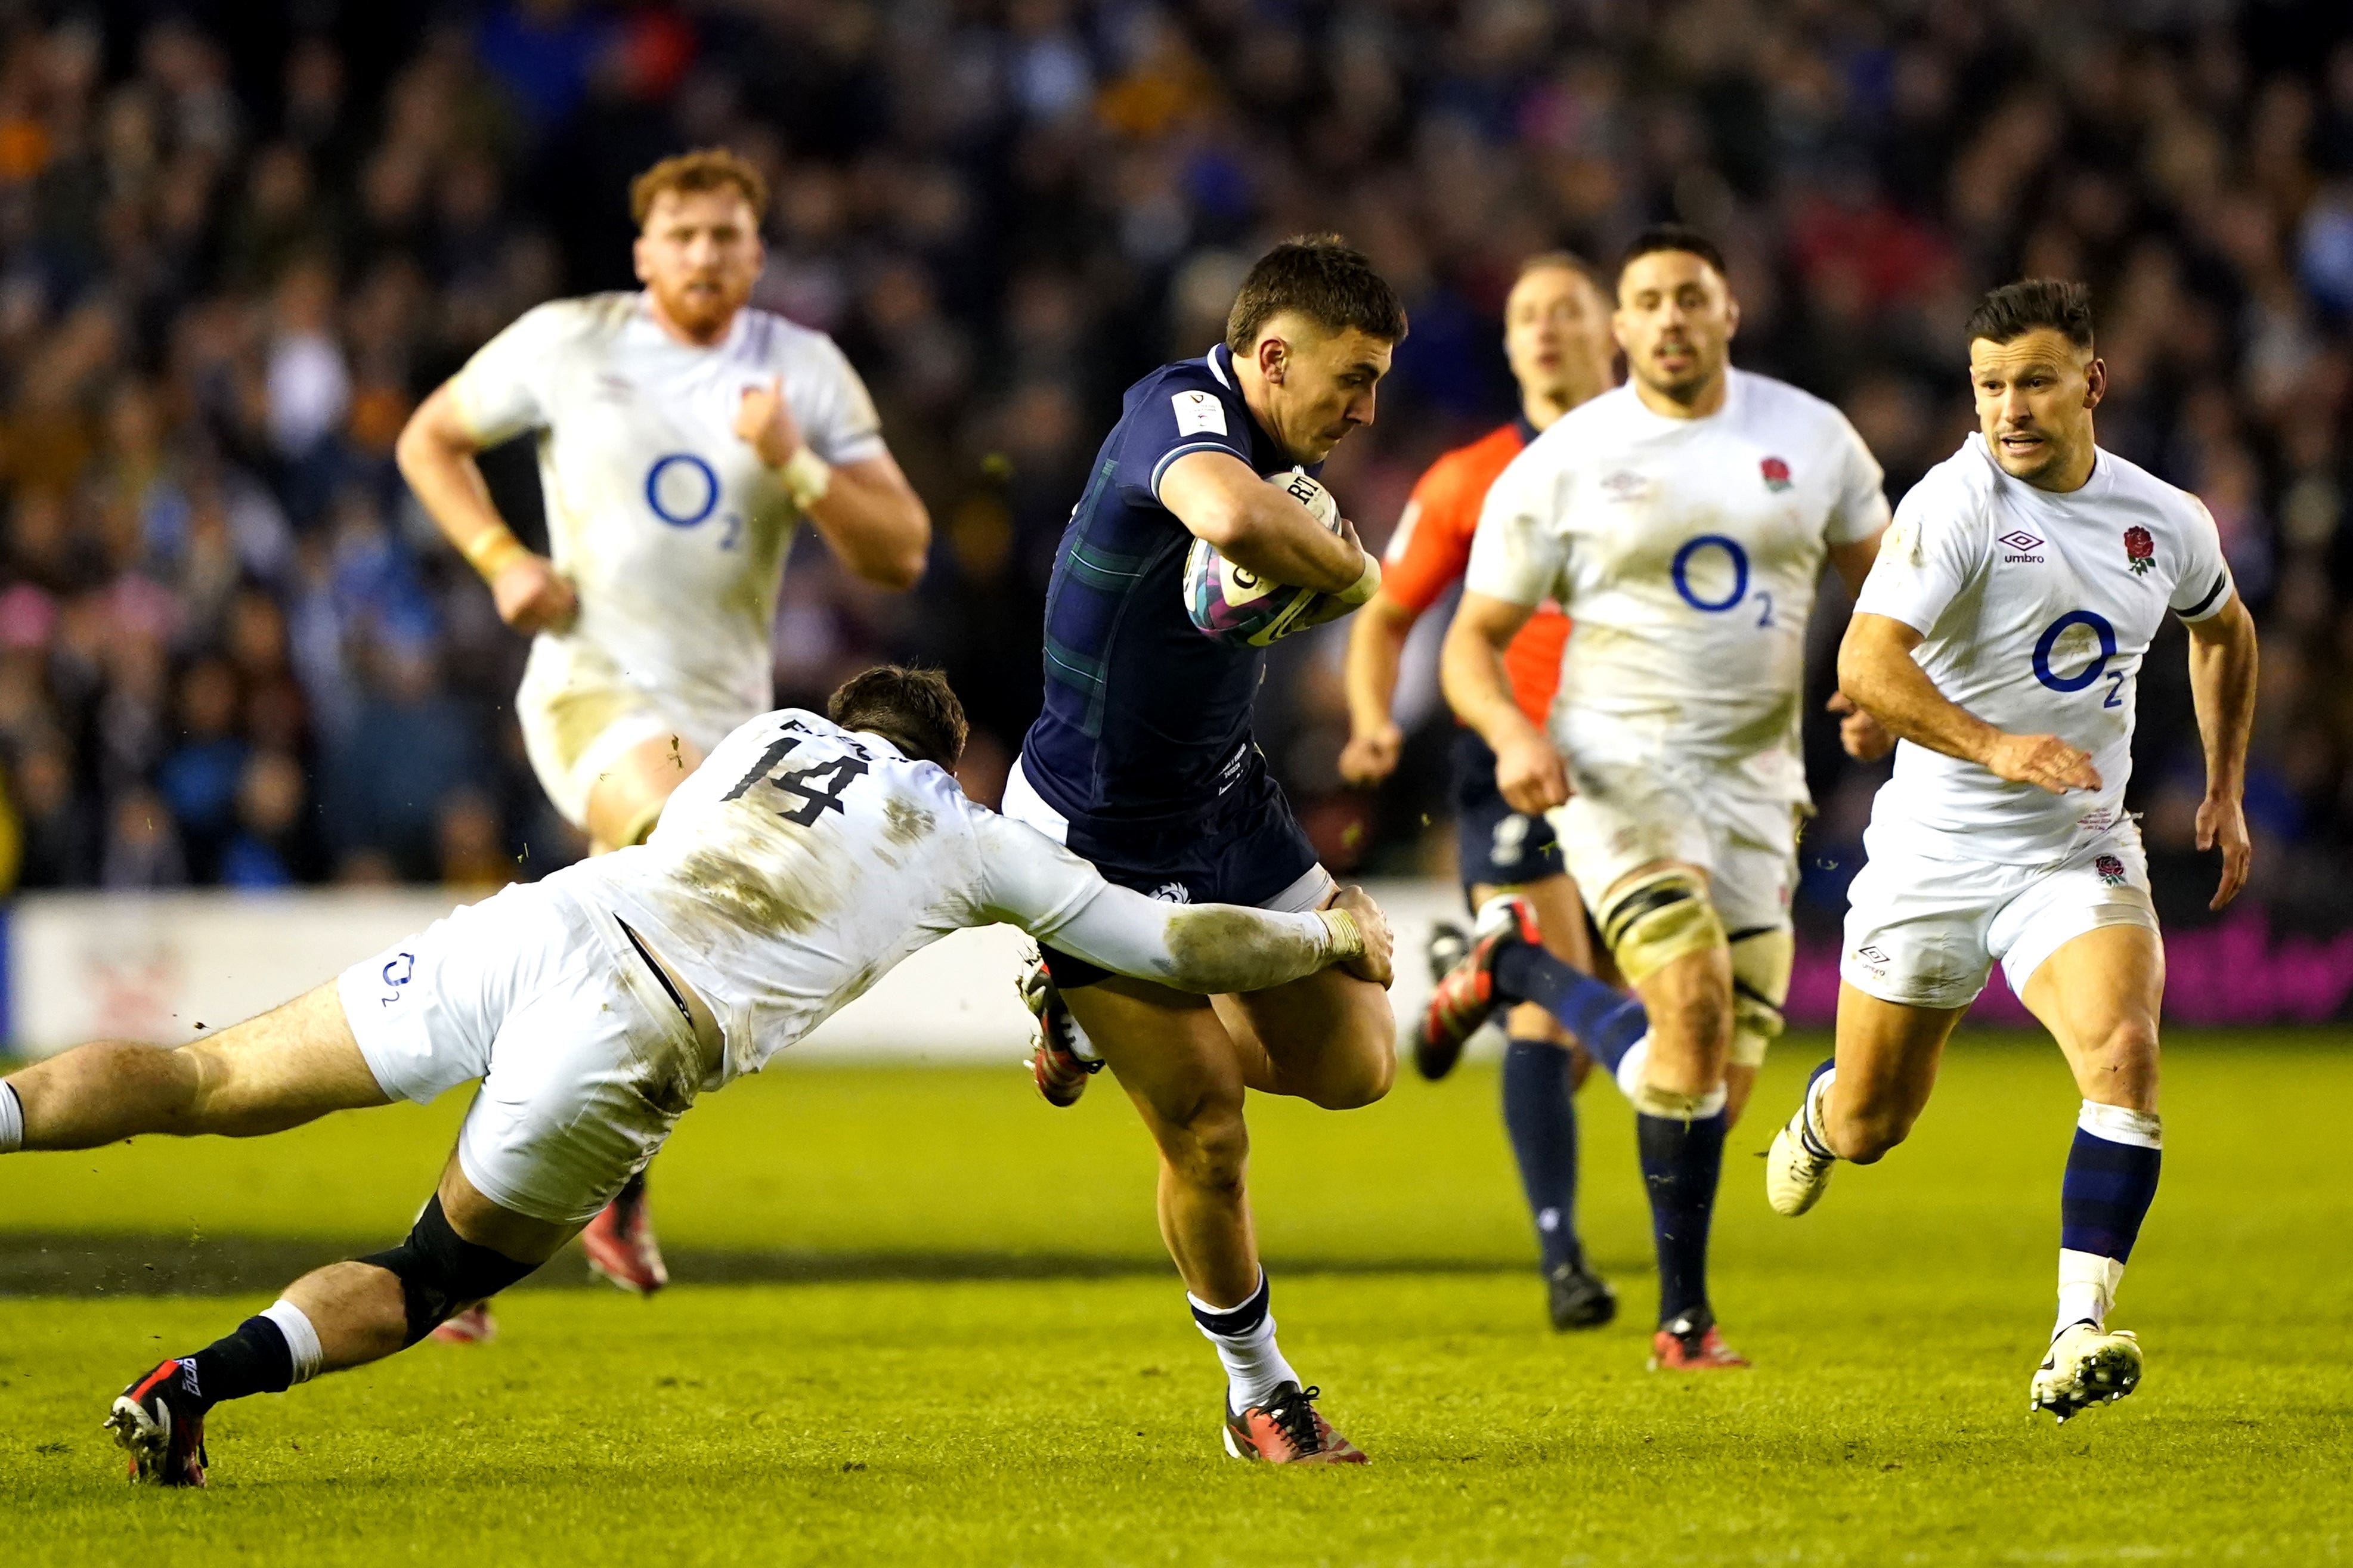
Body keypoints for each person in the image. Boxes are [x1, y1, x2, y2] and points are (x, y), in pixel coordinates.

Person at [0, 667, 1395, 1487]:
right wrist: (1327, 930)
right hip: (635, 1031)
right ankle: (196, 1379)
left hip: (542, 922)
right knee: (433, 1274)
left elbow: (661, 800)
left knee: (207, 1076)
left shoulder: (765, 732)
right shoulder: (970, 835)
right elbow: (1168, 939)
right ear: (945, 756)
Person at [394, 148, 930, 1316]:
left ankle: (484, 1234)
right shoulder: (570, 340)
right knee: (657, 854)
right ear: (642, 253)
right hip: (590, 685)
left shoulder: (802, 371)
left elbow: (898, 548)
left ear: (757, 250)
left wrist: (793, 458)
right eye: (681, 236)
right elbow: (426, 438)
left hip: (727, 723)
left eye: (727, 236)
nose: (704, 256)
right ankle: (570, 1193)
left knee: (624, 956)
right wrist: (499, 559)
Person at [1762, 280, 2257, 1424]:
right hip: (1933, 851)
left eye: (2033, 381)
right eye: (1989, 385)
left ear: (2091, 381)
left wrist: (2225, 784)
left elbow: (2223, 627)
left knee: (2124, 1049)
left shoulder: (2166, 518)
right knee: (1878, 1123)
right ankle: (1824, 1114)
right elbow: (1863, 665)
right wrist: (1992, 744)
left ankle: (2075, 1330)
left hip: (2074, 845)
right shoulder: (1954, 504)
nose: (2008, 408)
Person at [1432, 224, 1893, 1371]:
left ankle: (1516, 968)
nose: (1673, 317)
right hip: (1615, 771)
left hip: (1756, 786)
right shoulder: (1564, 460)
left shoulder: (1812, 437)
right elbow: (1469, 642)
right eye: (1649, 301)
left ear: (1728, 309)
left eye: (1692, 296)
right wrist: (1507, 733)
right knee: (1682, 1005)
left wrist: (1883, 689)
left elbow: (1884, 590)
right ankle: (1683, 1323)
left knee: (1704, 1090)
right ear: (1622, 327)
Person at [1004, 236, 1398, 1461]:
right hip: (1092, 836)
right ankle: (1256, 1388)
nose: (1364, 408)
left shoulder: (1286, 461)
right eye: (1350, 377)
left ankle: (1088, 1021)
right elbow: (1226, 513)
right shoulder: (1176, 410)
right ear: (1269, 356)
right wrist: (1349, 573)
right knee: (1209, 1130)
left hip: (1225, 806)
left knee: (1355, 1066)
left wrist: (1319, 557)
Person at [1336, 252, 1624, 1331]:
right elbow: (1384, 613)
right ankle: (1563, 1261)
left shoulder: (1673, 462)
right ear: (1507, 346)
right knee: (1556, 1022)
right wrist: (1370, 719)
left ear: (1614, 332)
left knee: (1624, 1031)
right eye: (1525, 316)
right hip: (1511, 756)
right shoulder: (1467, 476)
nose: (1545, 330)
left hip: (1644, 764)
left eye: (1566, 310)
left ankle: (1480, 978)